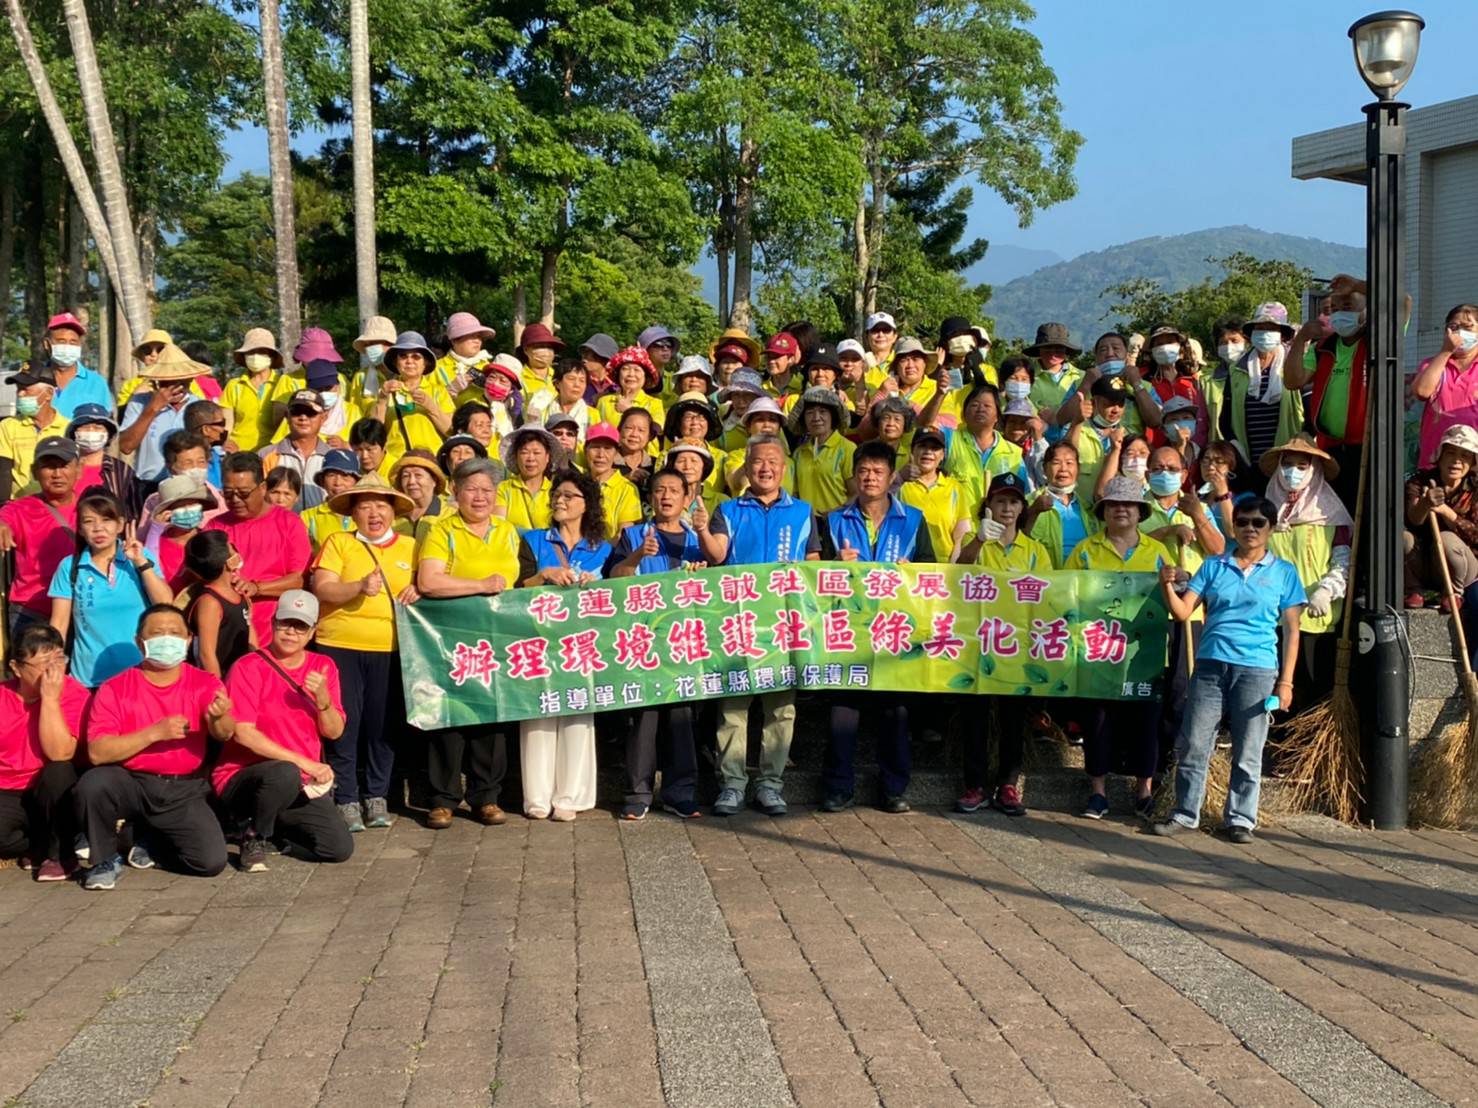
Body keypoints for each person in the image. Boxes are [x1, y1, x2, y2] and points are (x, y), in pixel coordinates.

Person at [1154, 496, 1305, 842]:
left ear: (1270, 528)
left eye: (1258, 523)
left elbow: (1292, 630)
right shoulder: (1213, 566)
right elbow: (1182, 611)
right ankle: (1184, 813)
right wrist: (1165, 584)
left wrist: (1286, 682)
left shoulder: (1284, 572)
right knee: (1193, 741)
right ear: (1232, 526)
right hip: (1210, 664)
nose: (1250, 529)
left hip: (1258, 668)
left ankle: (1241, 819)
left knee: (1249, 747)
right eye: (1243, 522)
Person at [696, 435, 819, 815]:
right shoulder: (729, 510)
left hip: (785, 625)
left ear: (784, 469)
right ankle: (731, 784)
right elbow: (717, 555)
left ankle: (770, 784)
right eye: (758, 462)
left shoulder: (803, 511)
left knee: (781, 709)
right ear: (746, 468)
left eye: (772, 461)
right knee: (733, 708)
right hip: (738, 623)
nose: (765, 468)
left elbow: (813, 560)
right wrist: (701, 528)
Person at [75, 604, 236, 889]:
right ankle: (104, 859)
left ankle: (148, 842)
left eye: (174, 633)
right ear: (140, 642)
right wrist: (153, 733)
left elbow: (225, 734)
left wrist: (220, 718)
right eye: (157, 633)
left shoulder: (204, 682)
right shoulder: (115, 688)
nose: (166, 639)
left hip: (183, 789)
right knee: (94, 783)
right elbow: (98, 752)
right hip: (132, 783)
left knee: (211, 863)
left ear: (188, 640)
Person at [817, 442, 933, 814]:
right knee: (842, 713)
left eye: (878, 471)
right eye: (864, 471)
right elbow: (814, 578)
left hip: (896, 630)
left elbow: (930, 571)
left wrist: (911, 572)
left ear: (890, 477)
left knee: (896, 713)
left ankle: (894, 789)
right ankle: (837, 788)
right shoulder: (832, 520)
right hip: (848, 630)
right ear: (854, 475)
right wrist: (836, 563)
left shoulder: (913, 519)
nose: (869, 477)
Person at [310, 473, 420, 833]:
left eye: (381, 505)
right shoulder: (338, 542)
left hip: (391, 648)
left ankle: (377, 794)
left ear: (393, 511)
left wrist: (419, 590)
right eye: (365, 506)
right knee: (346, 722)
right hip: (340, 645)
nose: (374, 513)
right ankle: (345, 797)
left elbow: (428, 584)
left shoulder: (411, 547)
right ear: (352, 513)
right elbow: (322, 588)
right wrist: (358, 586)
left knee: (383, 724)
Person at [416, 458, 520, 828]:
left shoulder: (508, 530)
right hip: (449, 639)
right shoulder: (441, 530)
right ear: (456, 493)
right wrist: (480, 585)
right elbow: (429, 581)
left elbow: (514, 580)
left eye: (488, 491)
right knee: (450, 717)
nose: (480, 497)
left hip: (496, 639)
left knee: (491, 718)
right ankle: (442, 799)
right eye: (472, 489)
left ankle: (486, 798)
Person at [215, 591, 352, 870]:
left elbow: (334, 732)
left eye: (300, 626)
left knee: (338, 848)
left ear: (312, 631)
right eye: (285, 623)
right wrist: (304, 762)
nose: (291, 632)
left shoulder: (323, 666)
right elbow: (242, 732)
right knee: (283, 771)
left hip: (298, 781)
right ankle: (253, 834)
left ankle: (275, 825)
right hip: (247, 775)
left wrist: (324, 702)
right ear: (273, 622)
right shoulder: (248, 666)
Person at [1066, 476, 1172, 821]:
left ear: (1141, 512)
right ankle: (1098, 792)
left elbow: (1174, 595)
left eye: (1128, 504)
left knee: (1145, 721)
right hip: (1097, 650)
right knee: (1097, 722)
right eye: (1113, 505)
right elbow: (1066, 595)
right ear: (1103, 511)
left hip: (1145, 653)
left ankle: (1143, 791)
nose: (1121, 510)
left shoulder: (1157, 553)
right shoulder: (1084, 551)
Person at [608, 470, 704, 820]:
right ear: (650, 497)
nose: (666, 496)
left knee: (681, 718)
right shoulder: (633, 534)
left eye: (674, 490)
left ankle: (680, 793)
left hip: (683, 642)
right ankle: (637, 793)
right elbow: (612, 581)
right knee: (643, 718)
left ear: (686, 497)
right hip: (642, 642)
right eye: (659, 489)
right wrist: (635, 556)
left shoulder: (696, 539)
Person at [514, 470, 609, 820]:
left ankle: (570, 795)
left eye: (569, 495)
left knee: (577, 714)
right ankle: (536, 797)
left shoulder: (604, 547)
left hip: (583, 643)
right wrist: (543, 576)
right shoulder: (534, 540)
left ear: (586, 505)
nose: (559, 500)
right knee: (538, 714)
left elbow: (620, 591)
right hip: (538, 639)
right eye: (557, 494)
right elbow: (513, 586)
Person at [953, 474, 1050, 817]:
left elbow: (1049, 597)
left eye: (1013, 502)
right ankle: (974, 785)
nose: (1007, 508)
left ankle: (1008, 785)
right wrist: (978, 541)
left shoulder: (1036, 550)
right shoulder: (974, 541)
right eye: (1000, 501)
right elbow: (955, 576)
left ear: (1023, 508)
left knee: (1013, 717)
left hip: (1018, 646)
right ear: (988, 506)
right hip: (978, 644)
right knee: (975, 716)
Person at [1261, 435, 1351, 710]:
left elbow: (1344, 562)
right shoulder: (1264, 514)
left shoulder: (1332, 516)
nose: (1293, 471)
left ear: (1315, 470)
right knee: (1278, 691)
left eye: (1302, 465)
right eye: (1287, 464)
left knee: (1314, 689)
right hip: (1271, 619)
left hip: (1316, 620)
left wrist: (1327, 590)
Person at [48, 492, 174, 689]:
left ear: (120, 524)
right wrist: (53, 665)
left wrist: (140, 562)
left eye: (106, 520)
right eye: (89, 521)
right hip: (88, 680)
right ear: (80, 529)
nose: (98, 528)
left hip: (139, 677)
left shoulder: (141, 557)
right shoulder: (69, 567)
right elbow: (59, 623)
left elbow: (165, 603)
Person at [0, 625, 87, 881]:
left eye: (59, 660)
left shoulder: (73, 694)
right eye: (44, 664)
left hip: (51, 789)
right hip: (9, 788)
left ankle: (61, 854)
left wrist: (50, 700)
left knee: (59, 770)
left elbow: (60, 752)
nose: (54, 671)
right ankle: (37, 845)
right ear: (16, 667)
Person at [206, 452, 312, 644]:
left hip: (273, 632)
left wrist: (256, 588)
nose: (236, 500)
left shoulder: (290, 523)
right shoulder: (215, 527)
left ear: (262, 488)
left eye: (243, 493)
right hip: (225, 628)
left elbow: (297, 581)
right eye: (228, 494)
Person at [1286, 278, 1367, 506]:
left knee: (1366, 512)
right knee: (1335, 511)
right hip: (1330, 448)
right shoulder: (1322, 348)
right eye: (1333, 309)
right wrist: (1301, 338)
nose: (1339, 314)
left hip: (1368, 447)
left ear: (1366, 311)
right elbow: (1293, 381)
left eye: (1347, 306)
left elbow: (1403, 301)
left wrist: (1358, 286)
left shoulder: (1378, 339)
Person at [0, 437, 82, 636]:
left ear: (78, 470)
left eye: (64, 466)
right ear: (35, 472)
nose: (57, 474)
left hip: (81, 610)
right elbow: (4, 520)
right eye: (49, 467)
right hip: (32, 610)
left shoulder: (92, 508)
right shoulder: (20, 508)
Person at [1215, 303, 1304, 470]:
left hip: (1288, 460)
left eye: (1271, 328)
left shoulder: (1294, 365)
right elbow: (1225, 419)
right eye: (1260, 328)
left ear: (1282, 335)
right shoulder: (1237, 370)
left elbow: (1306, 412)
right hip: (1249, 461)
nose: (1265, 333)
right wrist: (1238, 451)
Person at [117, 344, 212, 495]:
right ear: (157, 381)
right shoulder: (139, 402)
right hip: (148, 486)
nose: (177, 387)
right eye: (168, 381)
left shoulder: (199, 406)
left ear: (190, 379)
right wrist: (153, 408)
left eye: (182, 381)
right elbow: (126, 446)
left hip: (189, 485)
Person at [1404, 425, 1478, 609]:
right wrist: (1425, 504)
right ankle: (1414, 590)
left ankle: (1453, 593)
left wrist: (1446, 512)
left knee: (1447, 540)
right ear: (1440, 456)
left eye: (1465, 456)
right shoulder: (1420, 482)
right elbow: (1412, 518)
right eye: (1451, 453)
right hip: (1425, 564)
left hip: (1463, 566)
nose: (1457, 461)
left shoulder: (1476, 488)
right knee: (1402, 538)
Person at [941, 382, 1030, 508]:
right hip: (957, 525)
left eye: (987, 406)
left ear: (997, 417)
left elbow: (1023, 495)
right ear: (963, 414)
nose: (980, 409)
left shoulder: (1013, 452)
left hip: (997, 526)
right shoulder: (949, 439)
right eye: (974, 405)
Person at [372, 331, 454, 466]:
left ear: (425, 363)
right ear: (396, 362)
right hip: (395, 463)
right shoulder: (385, 390)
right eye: (403, 356)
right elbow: (373, 433)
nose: (409, 361)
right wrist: (382, 399)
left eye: (416, 357)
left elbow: (450, 431)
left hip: (431, 462)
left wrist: (430, 406)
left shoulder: (438, 391)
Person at [183, 530, 255, 678]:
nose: (236, 550)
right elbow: (206, 654)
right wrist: (219, 690)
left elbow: (251, 637)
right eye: (231, 548)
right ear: (229, 563)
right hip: (220, 681)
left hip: (241, 679)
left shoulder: (239, 593)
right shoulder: (210, 603)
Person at [1414, 304, 1478, 468]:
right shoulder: (1432, 364)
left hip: (1472, 462)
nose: (1459, 332)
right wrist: (1445, 352)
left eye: (1467, 327)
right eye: (1453, 327)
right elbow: (1421, 391)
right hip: (1435, 460)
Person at [899, 428, 972, 562]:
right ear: (912, 450)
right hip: (907, 566)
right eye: (922, 446)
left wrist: (952, 570)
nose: (928, 452)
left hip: (944, 568)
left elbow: (960, 536)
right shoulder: (901, 485)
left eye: (934, 448)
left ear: (943, 455)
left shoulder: (954, 487)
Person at [0, 364, 70, 501]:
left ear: (48, 394)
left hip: (58, 506)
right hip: (20, 506)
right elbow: (3, 472)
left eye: (25, 389)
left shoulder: (69, 428)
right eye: (18, 389)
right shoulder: (8, 426)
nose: (20, 394)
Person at [1022, 441, 1092, 569]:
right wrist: (1033, 511)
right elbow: (1018, 541)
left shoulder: (1088, 508)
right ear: (1044, 468)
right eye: (1056, 463)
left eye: (1069, 463)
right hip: (1048, 581)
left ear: (1078, 468)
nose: (1063, 469)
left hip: (1083, 580)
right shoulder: (1028, 503)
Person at [259, 390, 333, 508]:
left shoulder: (333, 457)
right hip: (280, 525)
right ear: (287, 416)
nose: (303, 417)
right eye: (296, 412)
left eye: (310, 412)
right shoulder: (266, 455)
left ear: (323, 417)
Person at [66, 402, 139, 518]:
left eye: (98, 427)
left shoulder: (122, 471)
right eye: (84, 427)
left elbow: (131, 511)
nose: (91, 431)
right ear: (73, 433)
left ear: (108, 434)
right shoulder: (63, 468)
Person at [790, 387, 855, 515]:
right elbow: (796, 494)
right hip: (807, 526)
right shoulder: (799, 453)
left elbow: (857, 493)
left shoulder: (847, 449)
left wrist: (834, 514)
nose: (816, 418)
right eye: (809, 412)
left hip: (838, 524)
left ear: (833, 416)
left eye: (823, 411)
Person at [222, 328, 287, 453]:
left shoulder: (282, 383)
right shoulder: (234, 386)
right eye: (251, 352)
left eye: (262, 352)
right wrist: (227, 443)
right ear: (244, 356)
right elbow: (227, 425)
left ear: (271, 356)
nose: (256, 356)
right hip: (239, 452)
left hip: (272, 452)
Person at [39, 311, 114, 420]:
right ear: (47, 344)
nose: (67, 347)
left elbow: (105, 422)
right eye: (61, 341)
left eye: (73, 342)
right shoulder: (35, 379)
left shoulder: (96, 383)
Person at [583, 423, 642, 538]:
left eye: (607, 448)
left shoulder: (627, 489)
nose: (601, 455)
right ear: (586, 451)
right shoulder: (576, 484)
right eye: (595, 447)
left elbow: (624, 535)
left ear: (616, 454)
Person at [300, 449, 362, 550]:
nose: (338, 483)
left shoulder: (368, 513)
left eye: (345, 476)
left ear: (357, 481)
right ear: (322, 481)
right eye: (331, 475)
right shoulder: (308, 517)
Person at [499, 425, 558, 530]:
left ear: (547, 457)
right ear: (516, 456)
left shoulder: (556, 491)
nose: (531, 458)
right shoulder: (503, 489)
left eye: (537, 453)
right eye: (524, 452)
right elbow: (498, 526)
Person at [433, 312, 497, 404]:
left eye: (479, 336)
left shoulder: (489, 367)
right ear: (454, 340)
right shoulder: (436, 369)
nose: (477, 341)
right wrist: (449, 390)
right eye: (471, 336)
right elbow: (427, 403)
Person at [595, 346, 664, 431]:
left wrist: (630, 411)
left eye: (637, 370)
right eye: (625, 369)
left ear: (646, 377)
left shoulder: (654, 404)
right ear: (618, 374)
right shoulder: (604, 402)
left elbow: (655, 429)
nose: (631, 374)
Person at [389, 449, 451, 541]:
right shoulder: (392, 515)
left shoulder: (449, 515)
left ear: (434, 480)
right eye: (406, 476)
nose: (411, 482)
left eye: (418, 475)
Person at [526, 360, 591, 437]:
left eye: (582, 381)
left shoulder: (592, 414)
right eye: (571, 379)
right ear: (557, 383)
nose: (577, 384)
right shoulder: (542, 410)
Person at [516, 322, 564, 397]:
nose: (546, 351)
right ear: (526, 350)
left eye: (549, 347)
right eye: (539, 346)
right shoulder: (518, 378)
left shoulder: (560, 376)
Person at [578, 333, 621, 405]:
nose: (584, 356)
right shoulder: (577, 380)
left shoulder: (618, 385)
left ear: (605, 359)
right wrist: (591, 401)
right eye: (584, 352)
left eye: (591, 353)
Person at [762, 332, 803, 397]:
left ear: (791, 359)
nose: (771, 361)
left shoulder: (801, 388)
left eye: (777, 356)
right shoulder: (760, 389)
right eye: (768, 357)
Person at [863, 311, 898, 379]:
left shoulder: (900, 361)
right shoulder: (859, 362)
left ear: (895, 336)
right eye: (875, 330)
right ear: (866, 336)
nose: (881, 335)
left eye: (886, 330)